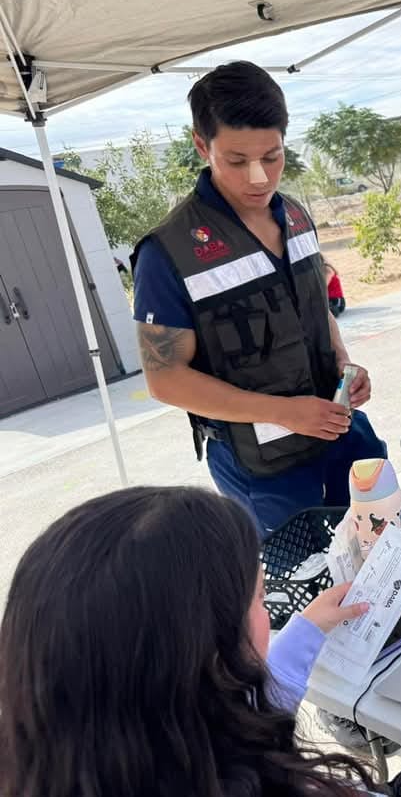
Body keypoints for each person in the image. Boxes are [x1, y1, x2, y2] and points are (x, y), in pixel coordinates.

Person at [0, 486, 401, 797]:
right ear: (207, 657)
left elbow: (234, 713)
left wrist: (305, 632)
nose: (269, 617)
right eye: (259, 600)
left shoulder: (116, 758)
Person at [131, 61, 386, 540]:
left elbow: (315, 308)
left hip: (340, 437)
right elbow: (165, 379)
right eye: (236, 160)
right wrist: (283, 411)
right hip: (265, 467)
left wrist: (343, 363)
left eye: (272, 156)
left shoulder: (296, 217)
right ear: (202, 146)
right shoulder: (168, 252)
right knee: (306, 579)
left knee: (386, 554)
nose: (258, 177)